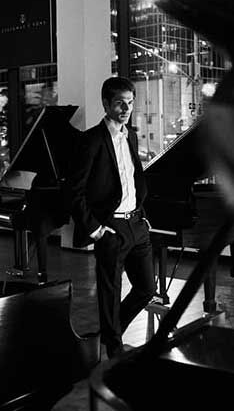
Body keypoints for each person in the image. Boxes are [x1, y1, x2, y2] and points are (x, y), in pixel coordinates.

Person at [68, 76, 156, 358]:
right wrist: (96, 230)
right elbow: (74, 191)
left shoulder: (131, 136)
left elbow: (132, 179)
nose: (126, 109)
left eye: (130, 102)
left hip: (136, 224)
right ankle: (114, 353)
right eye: (120, 103)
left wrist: (142, 215)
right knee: (110, 294)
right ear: (106, 104)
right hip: (111, 227)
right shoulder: (91, 140)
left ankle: (110, 333)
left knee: (146, 289)